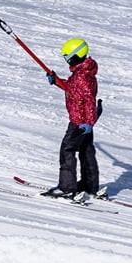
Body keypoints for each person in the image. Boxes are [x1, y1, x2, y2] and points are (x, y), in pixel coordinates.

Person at [43, 38, 101, 201]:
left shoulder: (82, 77)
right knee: (86, 151)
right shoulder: (82, 73)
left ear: (76, 55)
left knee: (67, 150)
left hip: (79, 122)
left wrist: (88, 123)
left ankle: (67, 187)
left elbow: (90, 101)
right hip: (83, 122)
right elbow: (73, 88)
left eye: (67, 56)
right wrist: (57, 81)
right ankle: (90, 186)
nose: (66, 59)